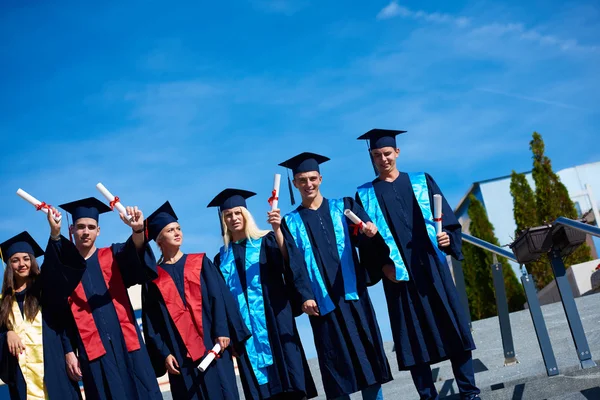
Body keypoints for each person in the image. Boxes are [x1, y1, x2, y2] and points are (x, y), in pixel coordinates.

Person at [355, 129, 480, 400]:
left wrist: (447, 238)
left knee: (454, 329)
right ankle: (428, 396)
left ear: (397, 153)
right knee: (412, 340)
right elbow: (364, 243)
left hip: (432, 269)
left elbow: (447, 220)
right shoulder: (364, 195)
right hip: (399, 276)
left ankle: (469, 392)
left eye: (387, 153)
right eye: (377, 155)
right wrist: (382, 268)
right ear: (372, 158)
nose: (383, 159)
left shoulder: (422, 181)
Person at [278, 152, 393, 400]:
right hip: (322, 305)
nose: (308, 184)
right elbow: (294, 264)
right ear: (295, 184)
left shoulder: (345, 207)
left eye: (312, 178)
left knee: (368, 359)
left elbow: (362, 238)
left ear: (320, 178)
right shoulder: (291, 222)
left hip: (354, 298)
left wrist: (370, 234)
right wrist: (305, 296)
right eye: (301, 180)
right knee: (336, 367)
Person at [45, 197, 162, 400]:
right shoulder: (65, 270)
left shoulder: (113, 255)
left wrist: (137, 231)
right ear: (71, 230)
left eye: (91, 227)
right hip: (93, 352)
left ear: (98, 231)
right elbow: (61, 316)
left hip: (128, 343)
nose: (86, 232)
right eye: (81, 227)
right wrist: (68, 351)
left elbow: (135, 254)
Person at [208, 188, 317, 400]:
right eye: (228, 215)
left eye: (238, 212)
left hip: (275, 319)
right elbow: (220, 300)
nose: (233, 218)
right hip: (245, 331)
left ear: (246, 215)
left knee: (289, 379)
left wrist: (277, 230)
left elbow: (289, 262)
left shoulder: (266, 241)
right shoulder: (221, 259)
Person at [141, 201, 250, 400]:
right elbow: (152, 323)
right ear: (159, 240)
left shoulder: (200, 263)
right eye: (170, 230)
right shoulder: (153, 279)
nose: (177, 233)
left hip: (213, 344)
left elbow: (220, 297)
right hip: (180, 355)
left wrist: (222, 331)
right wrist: (164, 354)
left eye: (178, 228)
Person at [0, 229, 82, 400]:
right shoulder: (3, 302)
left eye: (26, 258)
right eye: (15, 260)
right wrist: (7, 334)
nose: (22, 264)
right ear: (9, 266)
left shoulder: (45, 288)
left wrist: (69, 351)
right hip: (23, 376)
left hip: (54, 364)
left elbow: (62, 321)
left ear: (32, 261)